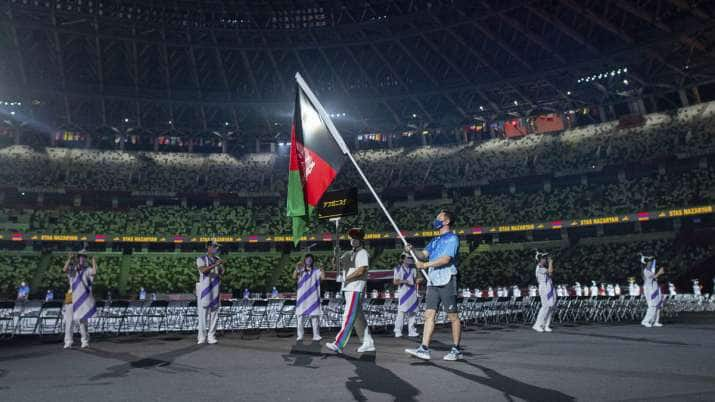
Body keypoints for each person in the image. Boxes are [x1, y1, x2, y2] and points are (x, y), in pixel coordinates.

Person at [405, 210, 462, 361]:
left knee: (453, 316)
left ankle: (456, 349)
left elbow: (445, 259)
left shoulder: (452, 239)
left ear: (447, 221)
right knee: (429, 314)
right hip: (433, 281)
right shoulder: (435, 240)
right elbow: (422, 254)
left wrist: (425, 265)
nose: (436, 219)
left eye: (439, 217)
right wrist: (411, 250)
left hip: (447, 278)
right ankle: (424, 348)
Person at [326, 228, 375, 354]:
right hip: (348, 288)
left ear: (360, 240)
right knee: (358, 318)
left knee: (349, 315)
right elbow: (335, 265)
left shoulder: (363, 252)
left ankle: (339, 344)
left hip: (356, 288)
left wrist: (345, 278)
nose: (353, 240)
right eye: (351, 238)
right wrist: (335, 255)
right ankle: (368, 342)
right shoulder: (348, 253)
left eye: (356, 238)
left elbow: (361, 270)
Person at [63, 249, 97, 349]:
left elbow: (94, 272)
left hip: (82, 297)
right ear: (78, 258)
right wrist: (69, 259)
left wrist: (94, 261)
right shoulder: (72, 268)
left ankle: (85, 341)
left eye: (84, 256)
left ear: (86, 259)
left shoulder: (87, 269)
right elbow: (64, 269)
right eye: (80, 256)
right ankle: (68, 341)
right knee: (69, 320)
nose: (82, 258)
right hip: (70, 295)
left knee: (83, 319)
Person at [196, 241, 224, 345]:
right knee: (203, 314)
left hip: (215, 288)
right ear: (208, 247)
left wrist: (220, 266)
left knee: (214, 313)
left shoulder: (217, 259)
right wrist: (215, 265)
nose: (216, 248)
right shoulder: (201, 259)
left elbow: (222, 273)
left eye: (217, 247)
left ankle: (211, 336)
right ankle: (202, 337)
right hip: (205, 289)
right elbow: (203, 270)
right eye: (214, 246)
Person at [293, 253, 324, 342]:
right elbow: (294, 277)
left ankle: (316, 335)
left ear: (312, 261)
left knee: (314, 317)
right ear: (305, 260)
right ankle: (300, 336)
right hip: (302, 297)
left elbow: (323, 278)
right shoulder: (301, 269)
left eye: (310, 259)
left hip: (313, 297)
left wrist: (322, 269)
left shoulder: (316, 271)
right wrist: (296, 267)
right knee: (300, 317)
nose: (309, 261)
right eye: (307, 259)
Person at [393, 253, 420, 338]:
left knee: (413, 312)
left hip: (412, 292)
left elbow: (416, 280)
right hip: (403, 293)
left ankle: (411, 330)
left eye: (411, 258)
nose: (410, 260)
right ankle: (397, 330)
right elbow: (395, 282)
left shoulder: (413, 269)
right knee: (401, 312)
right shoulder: (398, 269)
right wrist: (405, 281)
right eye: (408, 258)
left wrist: (419, 280)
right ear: (403, 259)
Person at [532, 252, 555, 333]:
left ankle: (546, 325)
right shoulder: (539, 267)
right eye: (544, 258)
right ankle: (537, 325)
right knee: (545, 306)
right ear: (540, 259)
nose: (545, 259)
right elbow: (550, 272)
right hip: (544, 287)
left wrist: (550, 264)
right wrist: (551, 263)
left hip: (549, 287)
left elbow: (550, 274)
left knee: (551, 306)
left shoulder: (543, 267)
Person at [641, 255, 665, 328]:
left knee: (658, 306)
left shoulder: (650, 271)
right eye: (649, 263)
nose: (650, 264)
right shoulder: (646, 271)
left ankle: (655, 321)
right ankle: (645, 321)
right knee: (652, 306)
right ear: (646, 264)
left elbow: (655, 278)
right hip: (650, 291)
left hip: (655, 289)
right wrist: (659, 273)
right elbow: (653, 277)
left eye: (651, 262)